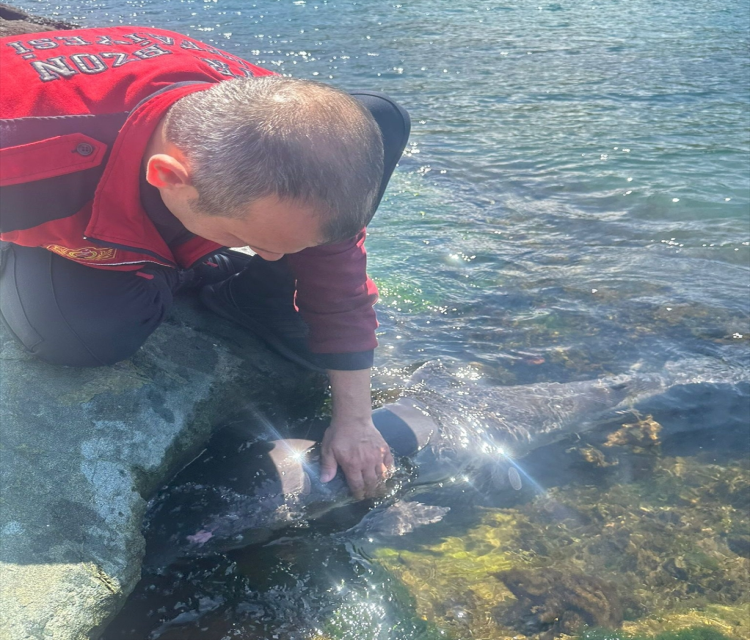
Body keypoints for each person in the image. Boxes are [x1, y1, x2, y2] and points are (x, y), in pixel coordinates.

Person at [0, 25, 411, 500]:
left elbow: (338, 271)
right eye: (248, 240)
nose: (274, 258)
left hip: (146, 138)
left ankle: (247, 296)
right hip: (62, 184)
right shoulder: (22, 160)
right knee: (78, 337)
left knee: (379, 120)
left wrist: (356, 420)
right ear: (168, 177)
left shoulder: (290, 134)